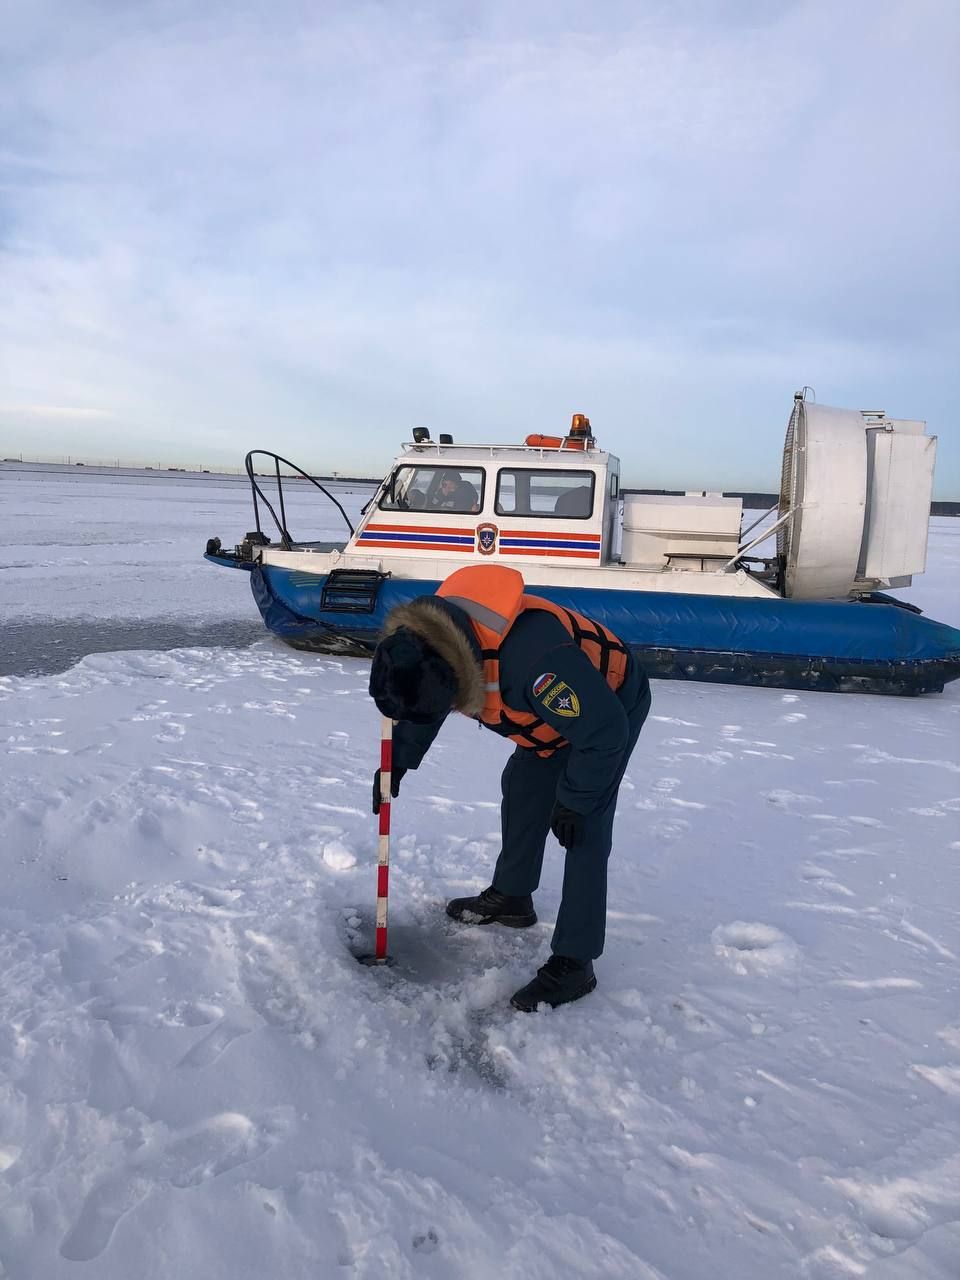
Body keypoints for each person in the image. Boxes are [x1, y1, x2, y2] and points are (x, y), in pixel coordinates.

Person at [368, 563, 651, 1012]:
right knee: (523, 784)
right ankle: (514, 896)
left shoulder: (532, 664)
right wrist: (397, 762)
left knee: (585, 824)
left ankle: (577, 961)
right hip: (552, 715)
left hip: (607, 705)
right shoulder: (431, 646)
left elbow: (603, 731)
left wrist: (575, 800)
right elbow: (426, 702)